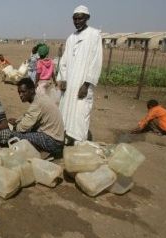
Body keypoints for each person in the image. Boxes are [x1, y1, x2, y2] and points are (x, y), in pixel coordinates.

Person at [57, 5, 102, 145]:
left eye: (80, 18)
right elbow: (64, 61)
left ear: (87, 18)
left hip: (82, 84)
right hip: (69, 85)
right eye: (74, 18)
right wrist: (62, 79)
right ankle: (66, 139)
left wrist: (86, 84)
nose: (77, 21)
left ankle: (79, 144)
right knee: (65, 112)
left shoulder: (94, 35)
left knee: (80, 114)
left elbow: (96, 61)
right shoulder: (71, 38)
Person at [8, 78, 65, 158]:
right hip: (57, 139)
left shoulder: (37, 103)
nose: (20, 95)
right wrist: (18, 121)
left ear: (31, 90)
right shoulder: (40, 97)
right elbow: (29, 115)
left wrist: (15, 126)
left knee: (12, 135)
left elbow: (22, 128)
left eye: (23, 92)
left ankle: (44, 152)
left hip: (53, 142)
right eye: (19, 92)